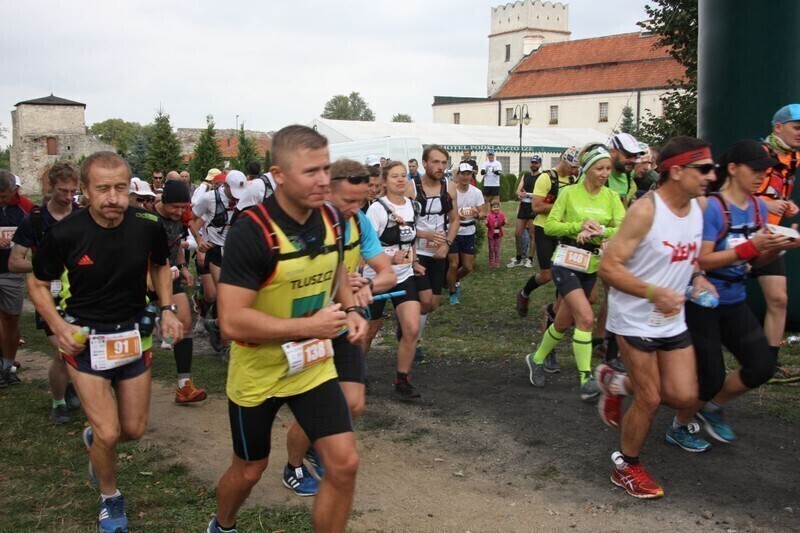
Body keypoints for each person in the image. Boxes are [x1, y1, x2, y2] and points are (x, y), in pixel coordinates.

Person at [208, 125, 366, 533]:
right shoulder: (251, 232)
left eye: (326, 169)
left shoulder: (332, 216)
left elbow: (336, 272)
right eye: (310, 171)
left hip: (312, 366)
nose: (322, 180)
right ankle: (222, 525)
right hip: (258, 372)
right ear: (278, 175)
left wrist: (349, 308)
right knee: (249, 470)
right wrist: (309, 324)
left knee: (344, 463)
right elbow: (231, 320)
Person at [27, 151, 183, 532]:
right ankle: (110, 498)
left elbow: (160, 265)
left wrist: (167, 308)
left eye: (121, 188)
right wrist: (58, 327)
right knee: (111, 432)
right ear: (84, 190)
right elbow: (37, 283)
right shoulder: (65, 233)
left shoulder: (146, 224)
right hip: (85, 338)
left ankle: (94, 438)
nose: (113, 197)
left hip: (133, 335)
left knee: (132, 430)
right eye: (103, 189)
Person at [596, 136, 719, 499]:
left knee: (683, 395)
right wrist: (654, 292)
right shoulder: (646, 211)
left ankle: (616, 384)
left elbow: (691, 256)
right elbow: (609, 267)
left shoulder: (699, 206)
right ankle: (626, 466)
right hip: (634, 318)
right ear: (677, 171)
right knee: (650, 398)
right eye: (704, 169)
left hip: (672, 317)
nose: (711, 176)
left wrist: (698, 278)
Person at [670, 140, 797, 449]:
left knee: (761, 367)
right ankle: (679, 425)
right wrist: (752, 247)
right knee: (709, 377)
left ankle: (713, 408)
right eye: (754, 170)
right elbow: (701, 261)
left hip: (735, 299)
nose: (760, 177)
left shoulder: (755, 207)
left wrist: (776, 247)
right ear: (732, 168)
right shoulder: (713, 207)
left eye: (764, 171)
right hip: (703, 304)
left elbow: (753, 263)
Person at [283, 158, 395, 495]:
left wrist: (366, 288)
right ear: (327, 191)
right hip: (310, 324)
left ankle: (317, 446)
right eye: (347, 201)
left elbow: (386, 272)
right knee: (314, 407)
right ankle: (293, 466)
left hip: (346, 321)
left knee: (354, 403)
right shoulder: (305, 224)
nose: (354, 208)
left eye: (360, 201)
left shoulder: (359, 222)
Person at [524, 145, 624, 401]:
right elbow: (551, 227)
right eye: (599, 168)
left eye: (608, 169)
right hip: (566, 262)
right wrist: (578, 226)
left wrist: (600, 230)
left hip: (591, 265)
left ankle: (535, 359)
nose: (604, 174)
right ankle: (586, 379)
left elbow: (624, 227)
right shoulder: (569, 193)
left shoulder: (611, 197)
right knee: (586, 318)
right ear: (587, 169)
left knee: (563, 321)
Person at [8, 162, 79, 421]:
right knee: (62, 350)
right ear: (51, 187)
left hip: (81, 294)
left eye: (73, 191)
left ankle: (71, 386)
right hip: (49, 294)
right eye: (63, 191)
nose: (69, 197)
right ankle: (58, 403)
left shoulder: (82, 215)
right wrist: (47, 267)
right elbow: (14, 262)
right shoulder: (35, 220)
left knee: (80, 349)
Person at [516, 147, 581, 373]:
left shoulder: (574, 179)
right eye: (572, 166)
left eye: (577, 168)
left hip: (565, 232)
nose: (574, 171)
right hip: (545, 230)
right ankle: (524, 293)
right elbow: (536, 207)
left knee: (562, 292)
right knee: (547, 275)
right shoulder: (546, 177)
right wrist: (563, 205)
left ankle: (550, 348)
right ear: (564, 161)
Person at [364, 161, 424, 398]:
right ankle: (354, 373)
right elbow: (366, 248)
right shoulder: (377, 209)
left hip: (404, 276)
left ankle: (402, 379)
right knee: (369, 331)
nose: (400, 180)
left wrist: (414, 261)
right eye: (394, 176)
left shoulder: (413, 206)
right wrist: (390, 258)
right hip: (376, 278)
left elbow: (410, 240)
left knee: (411, 327)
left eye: (403, 176)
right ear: (385, 181)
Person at [754, 104, 800, 383]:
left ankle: (768, 365)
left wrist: (786, 207)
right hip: (744, 235)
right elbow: (733, 194)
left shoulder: (793, 159)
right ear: (778, 128)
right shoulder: (757, 155)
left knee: (779, 299)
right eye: (797, 127)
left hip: (772, 236)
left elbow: (775, 196)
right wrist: (772, 203)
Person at [154, 179, 207, 403]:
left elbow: (176, 244)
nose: (179, 211)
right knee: (138, 332)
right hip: (144, 277)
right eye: (174, 207)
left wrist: (183, 267)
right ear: (164, 202)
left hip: (171, 275)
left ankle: (184, 386)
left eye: (183, 207)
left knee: (184, 321)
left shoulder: (179, 219)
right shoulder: (149, 220)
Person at [407, 145, 459, 362]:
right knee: (425, 299)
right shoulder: (411, 188)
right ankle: (412, 341)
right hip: (416, 250)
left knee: (433, 303)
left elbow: (455, 220)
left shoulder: (449, 187)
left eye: (444, 162)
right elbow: (403, 224)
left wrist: (447, 243)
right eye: (435, 162)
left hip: (439, 250)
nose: (440, 167)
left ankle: (410, 330)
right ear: (424, 163)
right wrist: (424, 234)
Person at [190, 170, 247, 351]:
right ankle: (225, 346)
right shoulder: (209, 198)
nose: (236, 199)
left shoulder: (246, 196)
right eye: (233, 194)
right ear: (226, 186)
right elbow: (192, 221)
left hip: (238, 251)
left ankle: (215, 325)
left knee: (240, 297)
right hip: (216, 251)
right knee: (222, 297)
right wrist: (199, 242)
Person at [0, 170, 33, 386]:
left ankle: (8, 366)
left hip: (12, 274)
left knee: (11, 319)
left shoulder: (25, 209)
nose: (1, 199)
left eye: (4, 196)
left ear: (15, 191)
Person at [447, 162, 486, 304]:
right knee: (453, 264)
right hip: (453, 231)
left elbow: (483, 212)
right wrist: (456, 216)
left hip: (469, 231)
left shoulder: (476, 192)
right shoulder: (451, 192)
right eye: (462, 173)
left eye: (468, 174)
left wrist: (476, 214)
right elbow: (444, 212)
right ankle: (452, 292)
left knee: (468, 267)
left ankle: (452, 280)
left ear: (472, 175)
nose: (465, 177)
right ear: (458, 175)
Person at [509, 156, 542, 268]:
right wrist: (520, 194)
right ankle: (519, 257)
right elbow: (518, 190)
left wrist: (526, 194)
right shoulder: (526, 175)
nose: (534, 165)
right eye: (532, 162)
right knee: (517, 234)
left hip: (534, 206)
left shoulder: (542, 177)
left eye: (536, 163)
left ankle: (530, 259)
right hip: (524, 206)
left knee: (533, 234)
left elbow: (540, 194)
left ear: (540, 164)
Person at [485, 201, 506, 268]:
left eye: (497, 207)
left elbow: (502, 224)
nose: (496, 208)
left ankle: (496, 262)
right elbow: (488, 226)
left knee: (496, 249)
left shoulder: (501, 215)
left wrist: (504, 222)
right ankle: (491, 262)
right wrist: (487, 223)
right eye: (494, 207)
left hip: (498, 235)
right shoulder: (489, 216)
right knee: (491, 248)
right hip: (491, 235)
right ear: (491, 208)